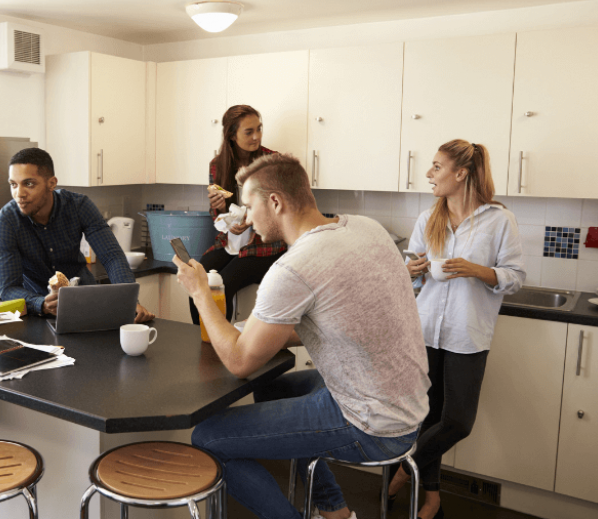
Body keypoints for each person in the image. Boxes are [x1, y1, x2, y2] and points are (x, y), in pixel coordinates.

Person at [175, 153, 430, 519]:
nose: (245, 218)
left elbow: (238, 361)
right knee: (269, 389)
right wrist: (261, 331)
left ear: (275, 202)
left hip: (371, 423)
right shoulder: (365, 228)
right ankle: (336, 512)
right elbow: (341, 319)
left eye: (249, 206)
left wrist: (200, 292)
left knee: (207, 439)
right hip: (407, 404)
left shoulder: (294, 267)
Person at [386, 140, 524, 519]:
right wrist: (410, 271)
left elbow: (515, 277)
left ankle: (402, 468)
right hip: (426, 330)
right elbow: (412, 278)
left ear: (460, 173)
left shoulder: (499, 220)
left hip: (468, 335)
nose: (429, 174)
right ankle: (431, 500)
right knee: (428, 419)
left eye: (436, 167)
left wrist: (477, 270)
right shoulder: (428, 218)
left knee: (457, 421)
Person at [0, 147, 154, 321]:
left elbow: (111, 256)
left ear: (52, 183)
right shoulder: (5, 222)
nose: (19, 194)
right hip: (37, 309)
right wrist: (41, 304)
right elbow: (8, 288)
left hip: (85, 299)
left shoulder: (78, 205)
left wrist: (128, 300)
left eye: (29, 184)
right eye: (13, 185)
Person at [188, 105, 286, 325]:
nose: (257, 136)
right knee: (198, 278)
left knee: (222, 284)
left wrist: (251, 220)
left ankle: (225, 346)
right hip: (229, 243)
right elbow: (218, 218)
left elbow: (281, 210)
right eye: (248, 132)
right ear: (232, 135)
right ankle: (203, 341)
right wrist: (221, 210)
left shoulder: (272, 162)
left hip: (264, 247)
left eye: (259, 129)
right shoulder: (218, 166)